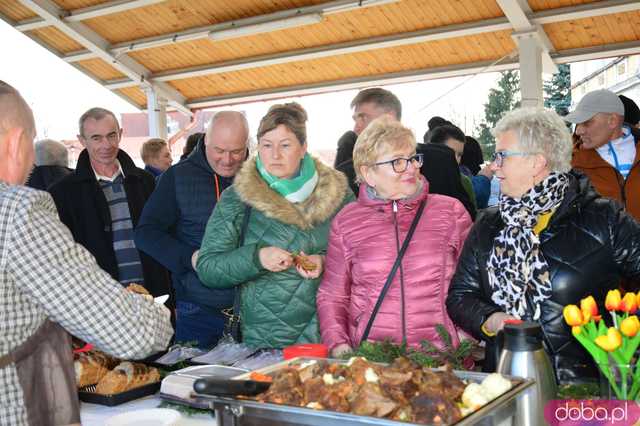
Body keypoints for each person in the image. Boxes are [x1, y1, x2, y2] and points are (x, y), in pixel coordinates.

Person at [0, 82, 172, 425]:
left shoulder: (144, 182)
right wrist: (158, 316)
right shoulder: (18, 210)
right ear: (17, 143)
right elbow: (131, 332)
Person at [446, 107, 640, 384]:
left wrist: (626, 341)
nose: (494, 166)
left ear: (537, 162)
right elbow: (460, 296)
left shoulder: (604, 218)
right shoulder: (488, 225)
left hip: (584, 388)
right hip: (504, 384)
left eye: (501, 156)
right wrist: (490, 320)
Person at [196, 102, 354, 348]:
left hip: (332, 333)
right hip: (264, 341)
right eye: (267, 146)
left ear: (303, 148)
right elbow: (208, 268)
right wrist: (257, 258)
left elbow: (364, 258)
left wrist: (325, 261)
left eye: (285, 145)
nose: (275, 155)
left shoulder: (340, 194)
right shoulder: (237, 197)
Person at [318, 116, 472, 357]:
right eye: (398, 162)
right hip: (374, 361)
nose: (411, 168)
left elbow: (476, 284)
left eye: (412, 158)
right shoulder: (347, 222)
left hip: (443, 360)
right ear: (368, 173)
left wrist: (462, 341)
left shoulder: (451, 213)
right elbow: (333, 294)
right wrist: (340, 347)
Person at [135, 111, 250, 348]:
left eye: (236, 152)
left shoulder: (260, 176)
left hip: (255, 310)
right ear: (205, 140)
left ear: (247, 145)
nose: (227, 160)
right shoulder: (177, 177)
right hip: (198, 311)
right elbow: (146, 233)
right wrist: (190, 258)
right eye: (219, 150)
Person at [49, 107, 171, 299]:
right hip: (99, 305)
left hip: (154, 298)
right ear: (82, 141)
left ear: (120, 134)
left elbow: (164, 237)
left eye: (111, 135)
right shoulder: (62, 193)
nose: (106, 145)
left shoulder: (146, 181)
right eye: (96, 138)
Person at [564, 89, 640, 221]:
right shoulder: (570, 164)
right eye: (578, 124)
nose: (579, 130)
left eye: (587, 122)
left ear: (612, 121)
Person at [335, 88, 402, 195]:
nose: (356, 128)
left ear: (389, 118)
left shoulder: (433, 162)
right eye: (355, 120)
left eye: (363, 118)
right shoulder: (345, 177)